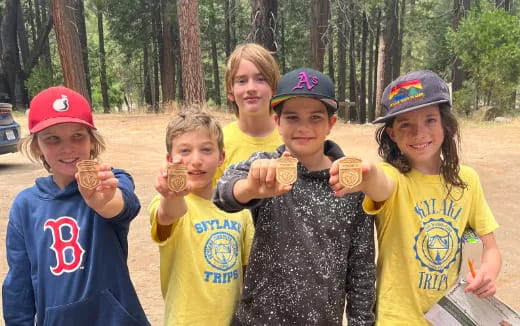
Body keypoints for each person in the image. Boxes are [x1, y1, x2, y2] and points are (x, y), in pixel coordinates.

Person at [330, 70, 502, 325]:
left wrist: (487, 273)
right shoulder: (394, 178)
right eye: (405, 124)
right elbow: (379, 183)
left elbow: (490, 248)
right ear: (391, 133)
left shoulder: (467, 181)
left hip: (450, 317)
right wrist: (365, 172)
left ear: (445, 123)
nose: (419, 132)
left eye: (430, 120)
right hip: (397, 318)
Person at [213, 68, 376, 325]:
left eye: (315, 117)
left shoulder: (350, 182)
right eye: (292, 117)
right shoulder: (267, 166)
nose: (303, 127)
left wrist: (361, 322)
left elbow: (361, 269)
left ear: (331, 123)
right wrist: (251, 189)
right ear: (277, 122)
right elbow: (223, 194)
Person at [2, 86, 150, 326]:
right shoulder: (25, 206)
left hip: (115, 320)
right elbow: (18, 283)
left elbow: (125, 206)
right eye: (53, 138)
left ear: (92, 141)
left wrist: (101, 201)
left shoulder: (111, 182)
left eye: (78, 136)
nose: (67, 147)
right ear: (37, 146)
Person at [148, 107, 255, 325]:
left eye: (206, 150)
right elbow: (169, 214)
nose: (196, 160)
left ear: (221, 157)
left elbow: (248, 274)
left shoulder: (240, 209)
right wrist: (172, 194)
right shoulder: (165, 202)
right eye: (185, 151)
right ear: (170, 159)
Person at [213, 43, 283, 184]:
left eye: (261, 79)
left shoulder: (293, 139)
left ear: (274, 87)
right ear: (230, 91)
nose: (251, 88)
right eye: (242, 81)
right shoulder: (217, 143)